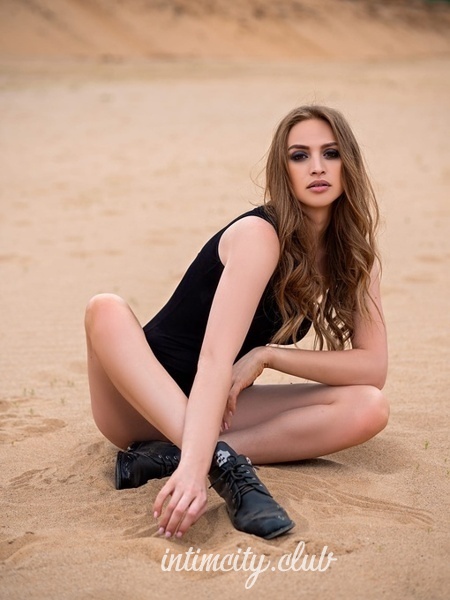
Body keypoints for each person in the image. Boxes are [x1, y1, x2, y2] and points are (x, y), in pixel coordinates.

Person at [84, 105, 389, 541]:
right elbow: (214, 359)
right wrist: (194, 476)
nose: (317, 167)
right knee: (105, 308)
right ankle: (214, 463)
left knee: (368, 407)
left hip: (215, 407)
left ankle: (177, 456)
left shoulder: (356, 257)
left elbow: (372, 368)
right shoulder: (259, 236)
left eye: (331, 153)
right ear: (283, 170)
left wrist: (267, 356)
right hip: (138, 403)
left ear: (349, 164)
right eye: (299, 155)